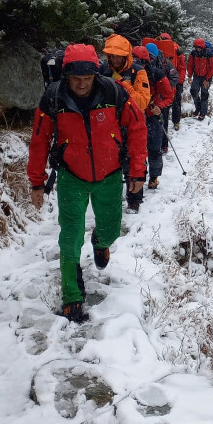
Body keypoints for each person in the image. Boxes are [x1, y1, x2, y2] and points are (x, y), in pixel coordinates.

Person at [27, 43, 147, 322]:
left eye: (87, 79)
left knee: (111, 231)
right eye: (75, 79)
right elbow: (39, 141)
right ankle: (72, 296)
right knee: (69, 238)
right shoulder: (53, 99)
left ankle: (100, 241)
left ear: (96, 75)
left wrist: (137, 172)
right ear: (65, 76)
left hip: (110, 175)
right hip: (71, 177)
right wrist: (36, 182)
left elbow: (138, 128)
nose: (81, 85)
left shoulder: (114, 93)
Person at [102, 34, 151, 213]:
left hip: (133, 124)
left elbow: (143, 102)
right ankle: (109, 198)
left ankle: (134, 199)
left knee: (134, 161)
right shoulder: (102, 71)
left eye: (118, 56)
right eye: (111, 56)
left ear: (126, 56)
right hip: (109, 125)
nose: (114, 60)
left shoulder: (138, 72)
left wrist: (123, 83)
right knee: (110, 163)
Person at [132, 45, 175, 190]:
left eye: (141, 62)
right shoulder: (126, 75)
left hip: (152, 115)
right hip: (133, 117)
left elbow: (170, 95)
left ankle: (154, 177)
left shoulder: (157, 74)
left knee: (154, 148)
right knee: (136, 150)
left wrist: (160, 106)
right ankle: (138, 177)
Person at [144, 41, 178, 153]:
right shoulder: (142, 64)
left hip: (162, 97)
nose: (149, 59)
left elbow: (174, 77)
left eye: (151, 56)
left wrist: (164, 87)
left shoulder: (165, 63)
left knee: (163, 122)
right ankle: (152, 147)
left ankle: (164, 144)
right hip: (148, 99)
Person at [157, 32, 186, 131]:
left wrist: (180, 82)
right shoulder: (157, 49)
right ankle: (162, 126)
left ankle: (176, 121)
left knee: (176, 103)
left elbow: (182, 67)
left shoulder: (177, 49)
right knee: (164, 105)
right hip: (163, 82)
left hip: (175, 80)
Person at [187, 38, 213, 120]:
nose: (197, 49)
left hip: (206, 76)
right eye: (196, 47)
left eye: (199, 47)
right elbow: (190, 65)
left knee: (204, 94)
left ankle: (203, 113)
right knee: (193, 91)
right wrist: (189, 76)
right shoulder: (194, 53)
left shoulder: (209, 53)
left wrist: (207, 79)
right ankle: (198, 108)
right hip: (197, 76)